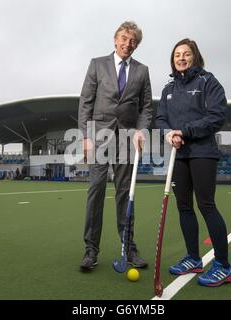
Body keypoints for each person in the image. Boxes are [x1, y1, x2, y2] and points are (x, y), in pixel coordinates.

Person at [155, 38, 231, 287]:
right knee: (184, 207)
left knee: (206, 205)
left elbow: (216, 116)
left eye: (186, 54)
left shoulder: (208, 82)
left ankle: (223, 265)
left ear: (195, 56)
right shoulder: (168, 89)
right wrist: (168, 133)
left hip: (202, 152)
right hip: (179, 154)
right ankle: (193, 258)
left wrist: (184, 132)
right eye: (177, 54)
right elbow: (160, 118)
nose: (181, 58)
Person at [78, 21, 153, 271]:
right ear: (115, 39)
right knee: (96, 190)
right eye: (124, 38)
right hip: (98, 137)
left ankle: (128, 248)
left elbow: (146, 107)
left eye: (133, 41)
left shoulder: (142, 71)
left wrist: (141, 131)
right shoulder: (97, 64)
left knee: (125, 193)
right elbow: (85, 102)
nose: (127, 44)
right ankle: (91, 250)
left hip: (126, 140)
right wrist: (86, 136)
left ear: (137, 45)